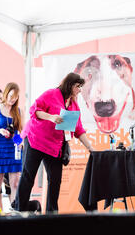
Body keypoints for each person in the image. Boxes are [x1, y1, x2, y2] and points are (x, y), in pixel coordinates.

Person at [16, 72, 94, 212]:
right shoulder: (51, 94)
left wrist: (90, 148)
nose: (79, 90)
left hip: (54, 147)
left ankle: (52, 213)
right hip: (36, 139)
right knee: (29, 175)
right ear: (69, 85)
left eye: (80, 87)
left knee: (55, 180)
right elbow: (35, 110)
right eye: (77, 86)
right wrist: (51, 117)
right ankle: (20, 210)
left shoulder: (74, 106)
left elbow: (78, 129)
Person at [0, 82, 24, 207]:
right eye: (11, 95)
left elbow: (20, 132)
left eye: (16, 97)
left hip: (13, 150)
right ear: (6, 93)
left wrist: (19, 143)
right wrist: (0, 131)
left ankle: (14, 212)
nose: (13, 99)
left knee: (15, 184)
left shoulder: (18, 111)